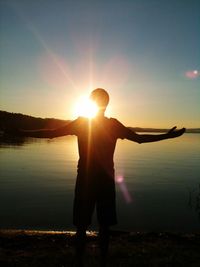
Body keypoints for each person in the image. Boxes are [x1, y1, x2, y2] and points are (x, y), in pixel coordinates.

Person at [17, 88, 185, 266]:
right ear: (106, 104)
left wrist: (20, 132)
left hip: (86, 180)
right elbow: (140, 139)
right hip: (103, 180)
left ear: (91, 102)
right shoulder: (109, 125)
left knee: (83, 226)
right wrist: (166, 136)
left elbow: (50, 133)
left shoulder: (84, 123)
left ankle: (81, 261)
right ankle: (100, 261)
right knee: (103, 226)